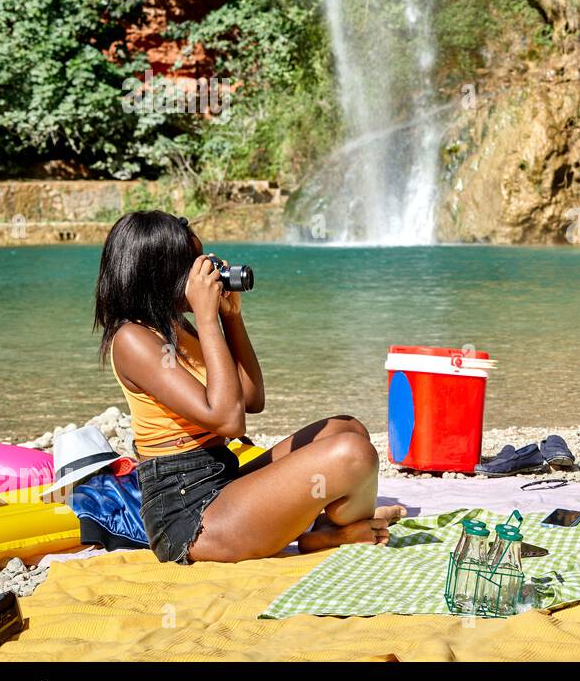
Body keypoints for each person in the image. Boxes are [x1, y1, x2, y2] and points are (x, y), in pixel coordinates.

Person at [94, 210, 403, 564]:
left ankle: (329, 531)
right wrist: (208, 317)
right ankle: (336, 532)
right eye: (194, 266)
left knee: (348, 428)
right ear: (159, 274)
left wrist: (230, 317)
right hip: (190, 517)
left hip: (222, 481)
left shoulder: (179, 326)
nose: (205, 274)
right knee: (354, 453)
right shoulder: (132, 339)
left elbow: (251, 399)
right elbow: (229, 421)